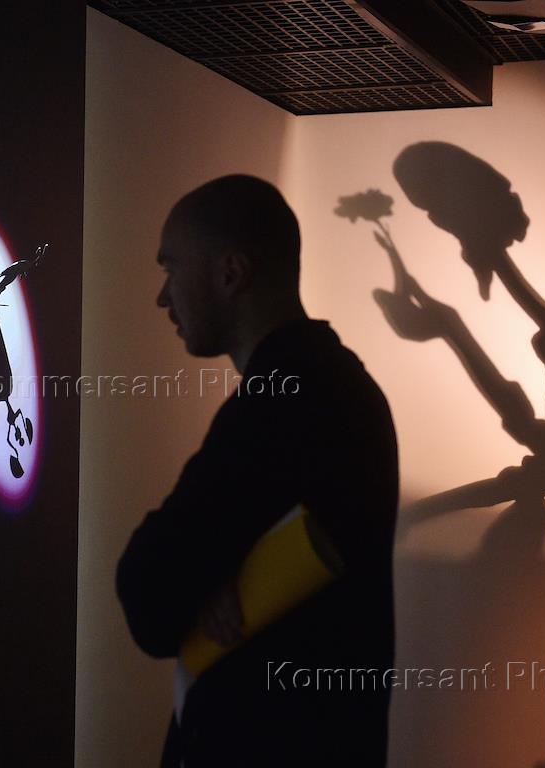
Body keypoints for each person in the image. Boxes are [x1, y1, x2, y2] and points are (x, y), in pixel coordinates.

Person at [116, 175, 399, 766]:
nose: (163, 298)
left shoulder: (280, 404)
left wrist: (200, 588)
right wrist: (212, 579)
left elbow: (148, 592)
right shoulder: (341, 386)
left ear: (230, 272)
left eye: (171, 268)